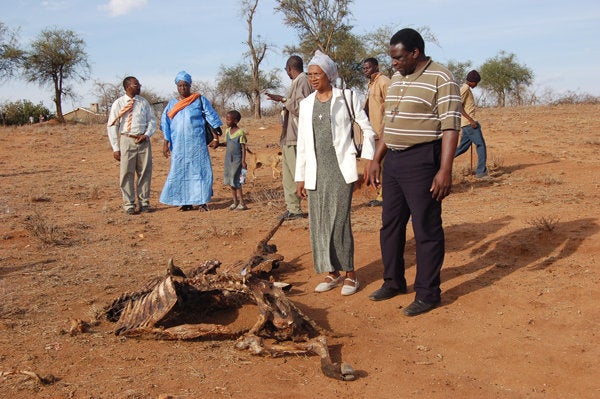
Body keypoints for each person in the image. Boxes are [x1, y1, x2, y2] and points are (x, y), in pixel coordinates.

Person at [367, 28, 461, 316]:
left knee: (426, 228)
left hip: (422, 160)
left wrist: (445, 170)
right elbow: (390, 124)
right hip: (393, 160)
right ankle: (393, 282)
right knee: (390, 225)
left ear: (415, 53)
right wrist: (376, 159)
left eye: (398, 57)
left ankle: (428, 293)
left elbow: (450, 126)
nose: (393, 63)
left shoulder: (441, 78)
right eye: (392, 58)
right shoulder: (397, 78)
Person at [295, 50, 377, 296]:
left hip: (341, 169)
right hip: (315, 172)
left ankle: (351, 273)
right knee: (319, 223)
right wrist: (300, 176)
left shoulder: (347, 98)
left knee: (339, 221)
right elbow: (302, 144)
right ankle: (332, 272)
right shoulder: (306, 104)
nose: (312, 78)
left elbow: (368, 129)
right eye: (309, 74)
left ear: (329, 74)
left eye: (317, 73)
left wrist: (368, 161)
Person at [160, 71, 223, 211]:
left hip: (197, 144)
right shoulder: (171, 105)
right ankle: (185, 202)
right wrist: (166, 143)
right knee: (180, 172)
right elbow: (166, 124)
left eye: (185, 85)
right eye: (180, 85)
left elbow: (211, 118)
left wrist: (215, 137)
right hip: (178, 145)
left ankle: (202, 202)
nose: (183, 88)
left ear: (190, 85)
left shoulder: (199, 100)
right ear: (177, 86)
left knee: (199, 172)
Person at [265, 55, 313, 220]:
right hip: (288, 136)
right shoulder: (296, 82)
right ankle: (293, 208)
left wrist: (284, 99)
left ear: (289, 69)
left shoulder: (303, 81)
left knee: (299, 174)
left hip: (297, 136)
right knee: (288, 176)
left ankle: (310, 207)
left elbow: (303, 108)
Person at [107, 76, 157, 215]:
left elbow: (152, 121)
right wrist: (116, 148)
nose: (139, 86)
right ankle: (129, 204)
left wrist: (146, 134)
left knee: (145, 172)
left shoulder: (143, 102)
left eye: (139, 84)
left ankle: (144, 202)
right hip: (127, 140)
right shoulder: (119, 103)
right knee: (126, 173)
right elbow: (112, 126)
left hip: (143, 140)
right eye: (136, 84)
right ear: (127, 86)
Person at [362, 57, 391, 207]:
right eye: (364, 68)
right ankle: (380, 194)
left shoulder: (384, 81)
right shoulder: (371, 84)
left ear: (376, 67)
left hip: (383, 131)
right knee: (377, 163)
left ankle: (384, 196)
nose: (365, 71)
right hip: (373, 132)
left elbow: (391, 105)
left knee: (384, 164)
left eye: (368, 68)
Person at [454, 70, 489, 178]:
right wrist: (471, 120)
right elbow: (457, 105)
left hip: (467, 124)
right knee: (481, 145)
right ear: (472, 81)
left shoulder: (467, 89)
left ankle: (440, 160)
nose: (476, 85)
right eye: (476, 83)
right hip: (469, 124)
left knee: (462, 148)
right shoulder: (465, 89)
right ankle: (481, 172)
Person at [223, 110, 248, 210]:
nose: (227, 121)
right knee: (230, 181)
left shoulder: (240, 133)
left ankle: (242, 203)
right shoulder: (227, 131)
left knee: (237, 181)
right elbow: (226, 144)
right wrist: (217, 144)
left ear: (236, 121)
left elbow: (243, 147)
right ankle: (235, 202)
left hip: (237, 160)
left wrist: (243, 161)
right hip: (228, 160)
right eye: (226, 119)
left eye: (229, 120)